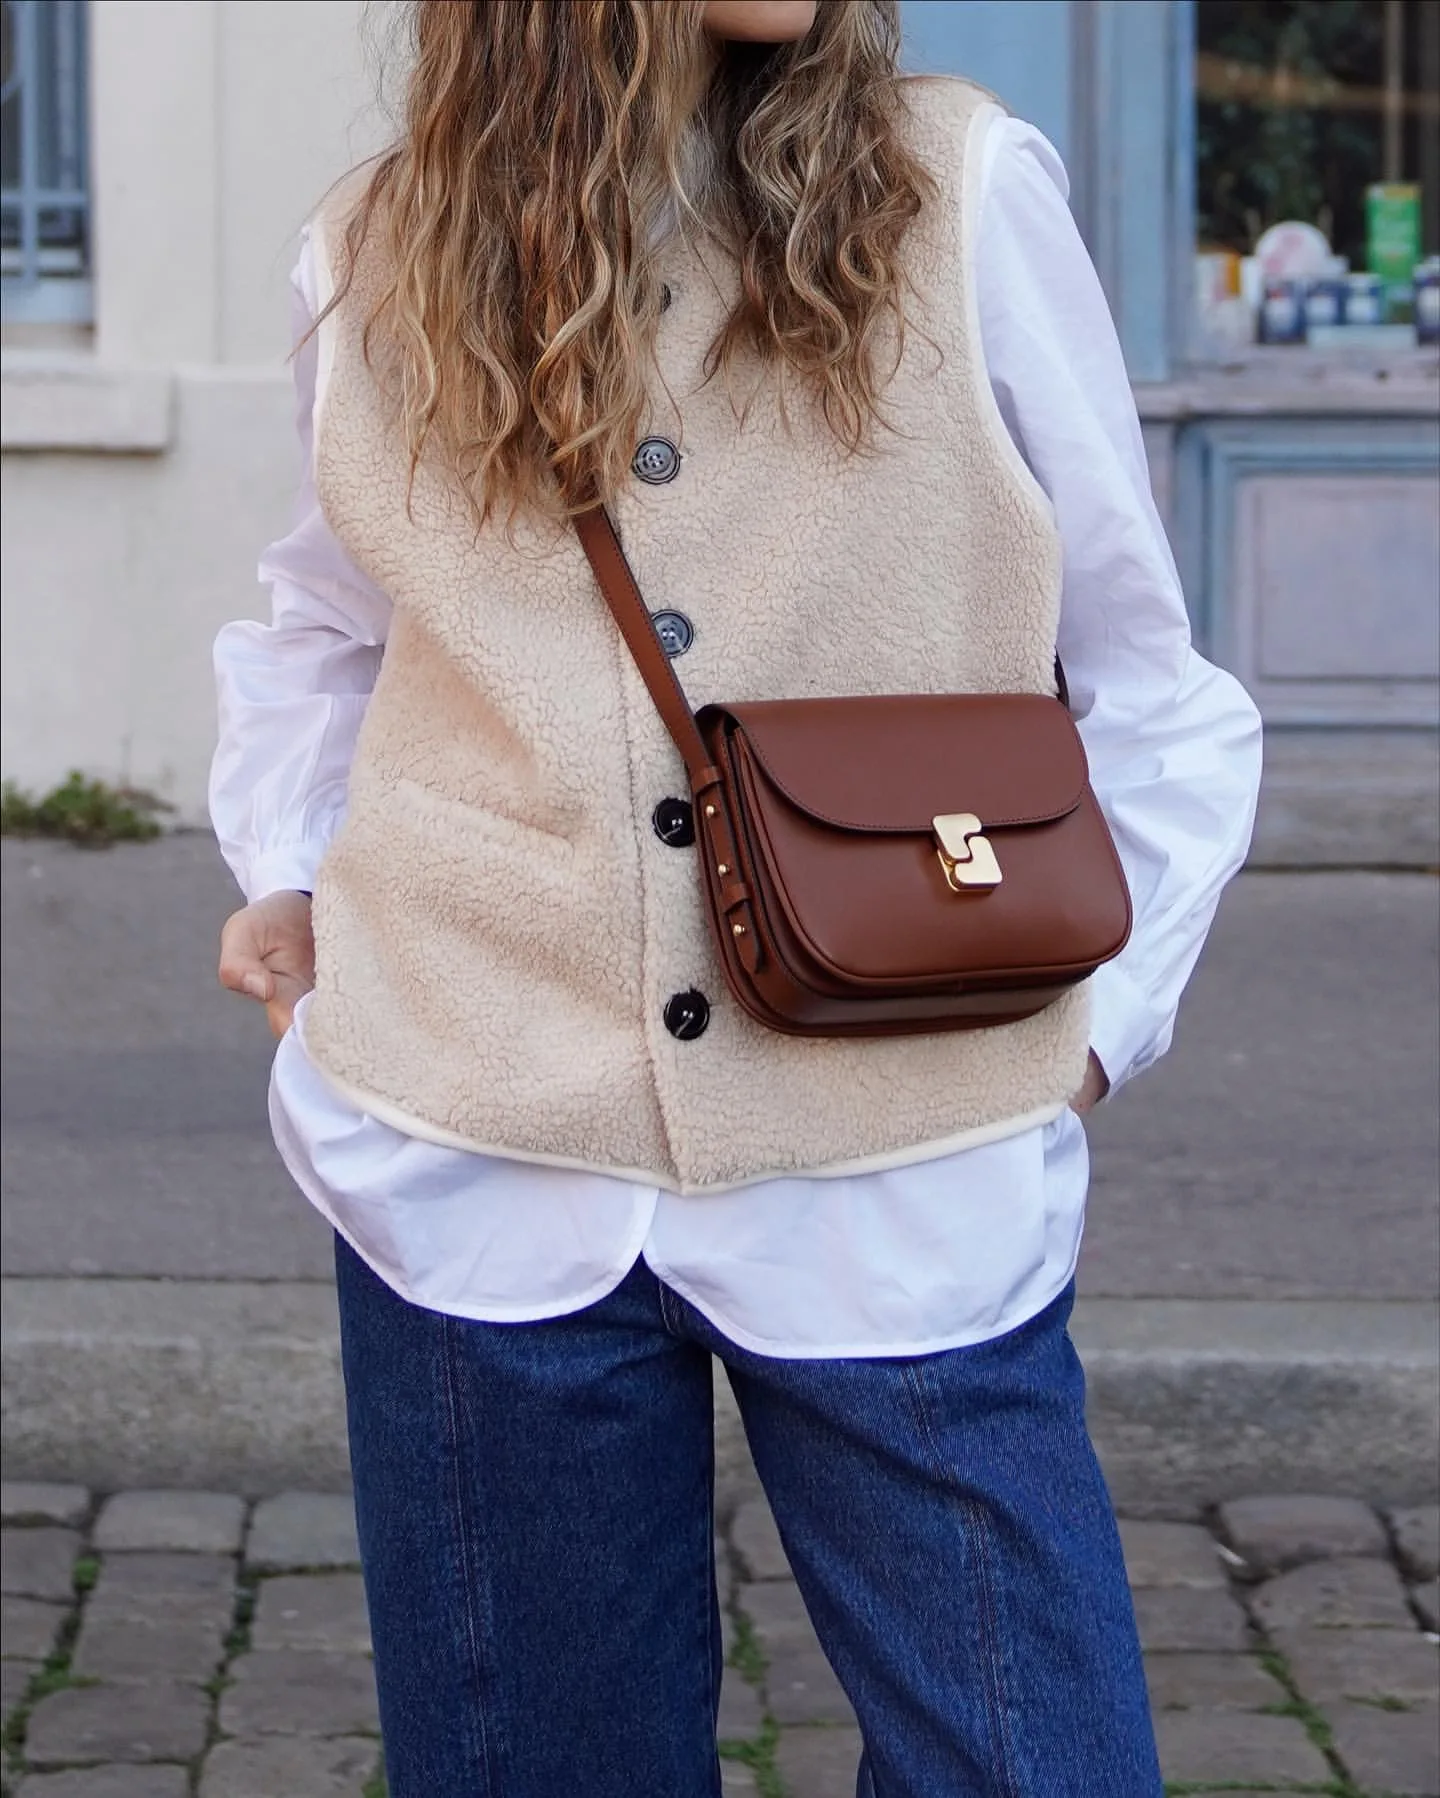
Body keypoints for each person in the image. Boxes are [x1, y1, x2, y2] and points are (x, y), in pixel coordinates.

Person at [211, 2, 1262, 1793]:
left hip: (903, 1166)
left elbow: (1152, 691)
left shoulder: (959, 191)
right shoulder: (376, 246)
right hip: (469, 1156)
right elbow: (324, 629)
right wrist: (297, 875)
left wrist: (1092, 1036)